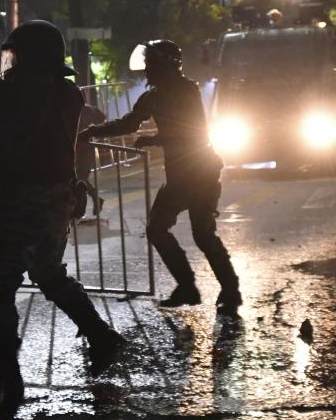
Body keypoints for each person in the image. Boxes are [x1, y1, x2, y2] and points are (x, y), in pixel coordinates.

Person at [0, 20, 125, 415]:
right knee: (49, 274)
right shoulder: (68, 93)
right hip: (57, 201)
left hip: (18, 203)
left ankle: (7, 378)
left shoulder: (8, 92)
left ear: (27, 56)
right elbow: (20, 111)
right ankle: (100, 336)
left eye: (16, 55)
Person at [79, 39, 242, 316]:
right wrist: (92, 131)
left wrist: (155, 138)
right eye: (147, 64)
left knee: (195, 234)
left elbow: (191, 131)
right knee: (168, 230)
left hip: (199, 171)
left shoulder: (185, 90)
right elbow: (128, 123)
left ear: (167, 64)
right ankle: (195, 287)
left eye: (152, 64)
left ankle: (224, 289)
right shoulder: (153, 95)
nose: (147, 70)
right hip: (182, 175)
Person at [75, 103, 106, 217]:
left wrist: (92, 131)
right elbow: (102, 118)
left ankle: (80, 208)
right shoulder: (87, 108)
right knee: (79, 178)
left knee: (80, 178)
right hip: (80, 148)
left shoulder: (84, 108)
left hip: (84, 149)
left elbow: (102, 118)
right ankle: (95, 198)